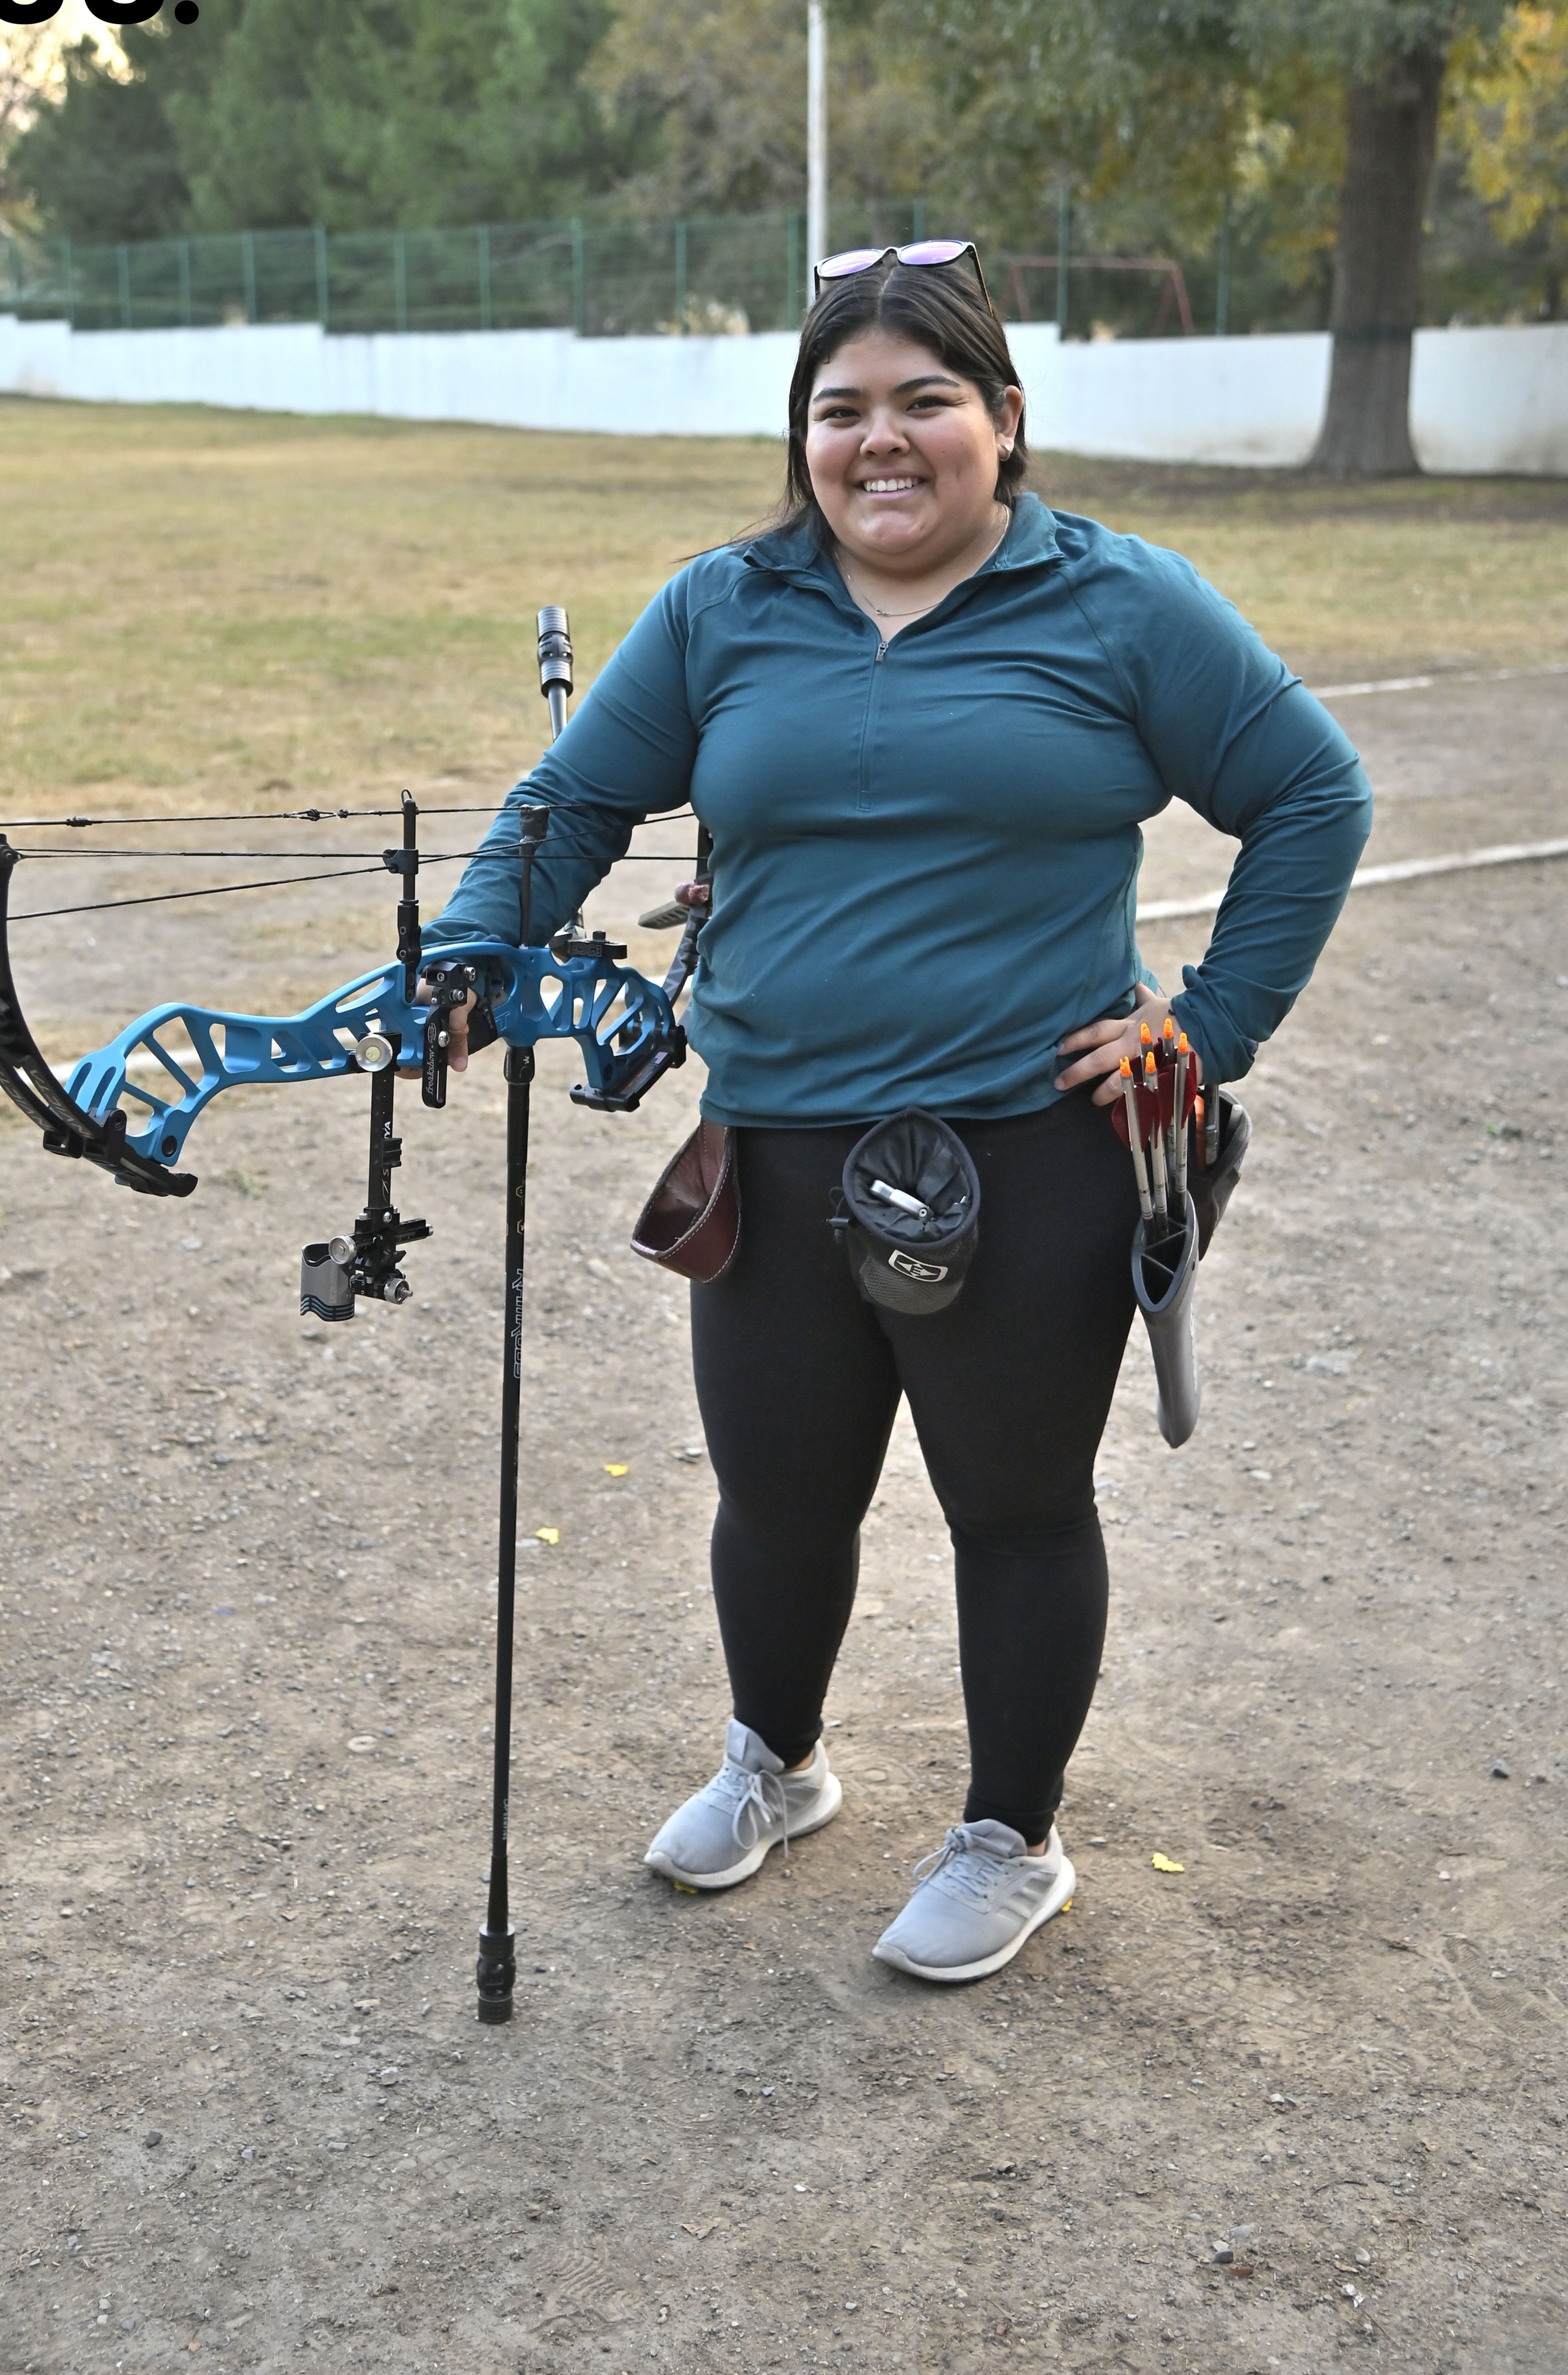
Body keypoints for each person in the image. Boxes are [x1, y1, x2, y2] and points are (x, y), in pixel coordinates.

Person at [422, 243, 1372, 1984]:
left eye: (923, 401)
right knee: (778, 1493)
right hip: (773, 1142)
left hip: (1026, 1150)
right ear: (802, 438)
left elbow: (1311, 791)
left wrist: (1205, 1027)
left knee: (1014, 1504)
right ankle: (774, 1762)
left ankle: (1012, 1837)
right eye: (839, 407)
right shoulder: (724, 606)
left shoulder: (1118, 602)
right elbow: (574, 800)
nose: (879, 440)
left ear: (1001, 419)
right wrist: (472, 951)